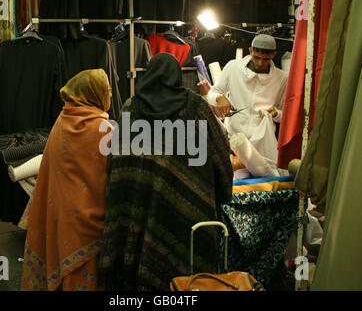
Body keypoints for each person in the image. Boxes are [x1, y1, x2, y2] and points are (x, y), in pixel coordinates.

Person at [97, 53, 233, 291]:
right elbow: (220, 153)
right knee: (185, 279)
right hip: (184, 210)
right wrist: (224, 192)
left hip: (135, 206)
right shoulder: (195, 106)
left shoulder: (131, 106)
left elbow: (115, 160)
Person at [18, 69, 114, 291]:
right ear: (93, 94)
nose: (109, 95)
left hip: (59, 215)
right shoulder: (103, 130)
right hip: (88, 225)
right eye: (106, 91)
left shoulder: (63, 120)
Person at [206, 34, 288, 176]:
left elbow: (284, 114)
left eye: (266, 59)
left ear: (274, 54)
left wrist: (275, 114)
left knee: (266, 185)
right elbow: (211, 94)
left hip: (262, 145)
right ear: (251, 51)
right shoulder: (233, 68)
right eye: (257, 57)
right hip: (235, 141)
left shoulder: (281, 78)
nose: (261, 63)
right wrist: (220, 98)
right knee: (235, 186)